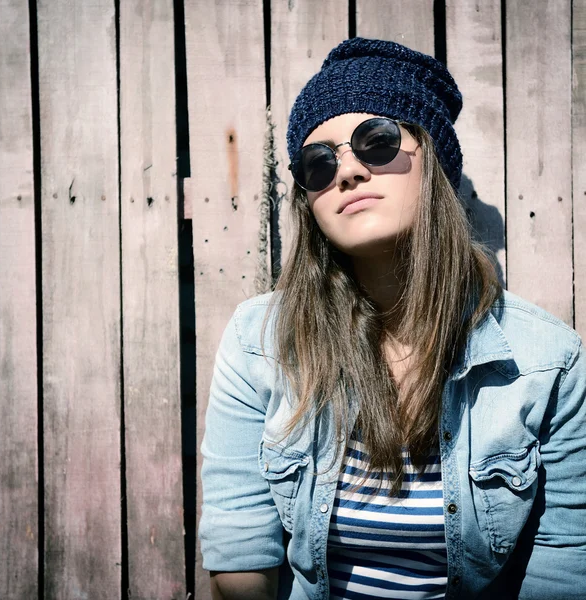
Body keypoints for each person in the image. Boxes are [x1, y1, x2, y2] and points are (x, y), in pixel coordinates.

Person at [198, 38, 586, 600]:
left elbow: (563, 569)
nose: (348, 172)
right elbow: (240, 554)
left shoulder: (547, 361)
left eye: (376, 142)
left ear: (434, 162)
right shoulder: (259, 341)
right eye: (319, 163)